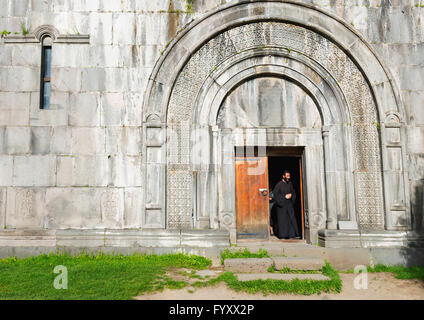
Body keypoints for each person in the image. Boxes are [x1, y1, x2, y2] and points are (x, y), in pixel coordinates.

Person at [272, 170, 299, 239]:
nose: (288, 178)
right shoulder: (279, 185)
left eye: (289, 176)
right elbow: (275, 195)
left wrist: (291, 195)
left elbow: (293, 192)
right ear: (283, 176)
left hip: (289, 205)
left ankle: (292, 235)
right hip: (282, 206)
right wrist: (284, 196)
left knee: (291, 219)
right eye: (287, 176)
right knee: (283, 221)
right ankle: (283, 235)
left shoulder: (290, 184)